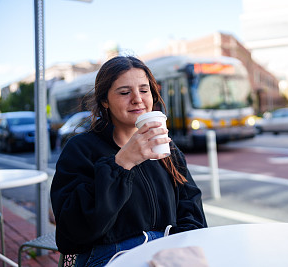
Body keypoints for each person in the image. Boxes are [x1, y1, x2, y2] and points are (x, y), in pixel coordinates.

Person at [50, 55, 208, 267]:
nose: (137, 99)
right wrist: (121, 164)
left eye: (144, 90)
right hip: (110, 257)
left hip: (168, 252)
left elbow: (192, 208)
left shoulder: (167, 148)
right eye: (125, 92)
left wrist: (179, 249)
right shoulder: (81, 149)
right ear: (104, 100)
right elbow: (72, 231)